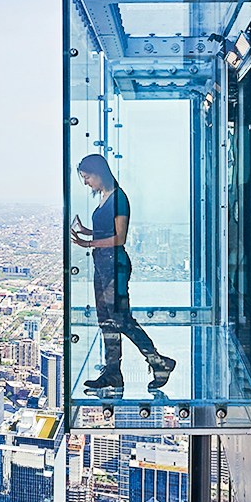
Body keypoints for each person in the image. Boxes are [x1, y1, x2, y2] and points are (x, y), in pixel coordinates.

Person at [71, 153, 176, 394]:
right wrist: (86, 233)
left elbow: (120, 237)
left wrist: (88, 244)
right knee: (106, 321)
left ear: (99, 173)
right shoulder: (105, 196)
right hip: (102, 265)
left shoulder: (119, 198)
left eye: (87, 177)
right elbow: (105, 231)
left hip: (114, 266)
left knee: (121, 320)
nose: (86, 182)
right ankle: (112, 373)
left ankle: (159, 363)